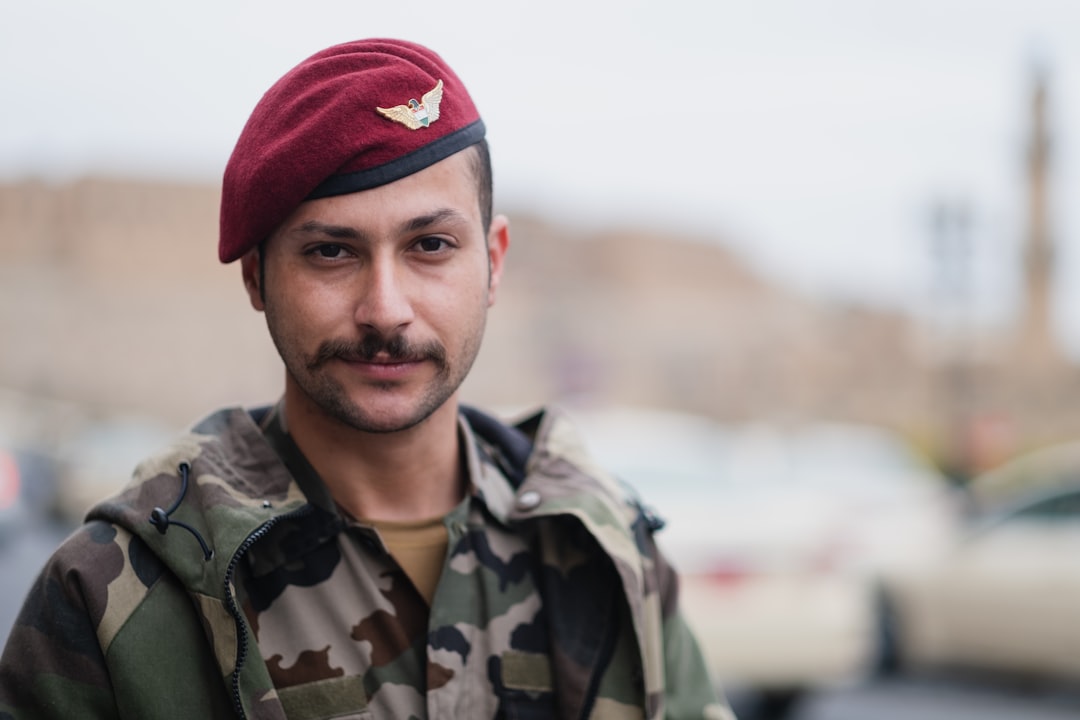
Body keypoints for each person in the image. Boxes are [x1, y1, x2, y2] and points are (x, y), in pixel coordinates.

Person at [0, 39, 732, 719]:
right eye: (330, 253)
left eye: (431, 245)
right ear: (257, 277)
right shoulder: (119, 593)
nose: (386, 309)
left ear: (495, 262)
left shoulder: (605, 550)